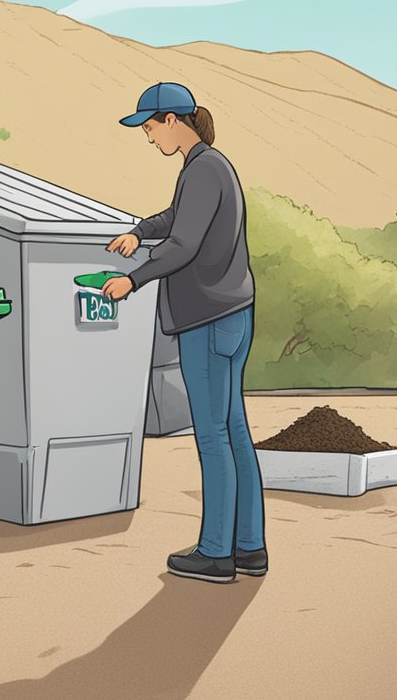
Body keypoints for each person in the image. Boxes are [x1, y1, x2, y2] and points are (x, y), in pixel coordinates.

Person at [101, 82, 267, 584]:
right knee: (235, 429)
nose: (149, 138)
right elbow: (177, 220)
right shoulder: (208, 167)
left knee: (213, 434)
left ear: (173, 120)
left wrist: (133, 278)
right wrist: (139, 229)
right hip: (234, 313)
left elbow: (185, 243)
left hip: (208, 320)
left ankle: (216, 552)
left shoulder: (203, 169)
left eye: (150, 127)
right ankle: (249, 546)